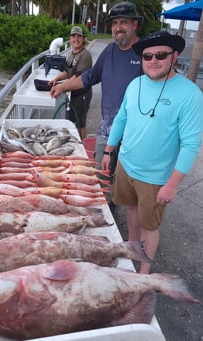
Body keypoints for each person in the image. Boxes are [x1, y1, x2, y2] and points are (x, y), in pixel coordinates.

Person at [101, 31, 203, 274]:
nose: (153, 60)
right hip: (125, 165)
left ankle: (144, 273)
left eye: (160, 55)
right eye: (148, 56)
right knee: (131, 210)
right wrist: (108, 151)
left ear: (174, 56)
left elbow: (190, 144)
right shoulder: (135, 84)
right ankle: (131, 250)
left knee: (151, 225)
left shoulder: (191, 94)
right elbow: (121, 119)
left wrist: (172, 184)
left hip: (156, 177)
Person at [51, 2, 144, 167]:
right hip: (107, 130)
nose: (118, 28)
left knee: (126, 186)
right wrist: (62, 87)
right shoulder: (109, 51)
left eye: (123, 22)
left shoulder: (146, 54)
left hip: (134, 136)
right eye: (114, 23)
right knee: (101, 179)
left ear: (134, 24)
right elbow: (88, 77)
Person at [49, 26, 92, 139]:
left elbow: (77, 77)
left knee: (80, 123)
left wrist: (62, 87)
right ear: (70, 39)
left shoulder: (85, 55)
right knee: (71, 121)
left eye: (79, 37)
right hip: (73, 93)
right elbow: (67, 72)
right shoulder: (72, 53)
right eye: (73, 36)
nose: (76, 39)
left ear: (83, 39)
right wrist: (56, 79)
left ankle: (83, 145)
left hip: (82, 94)